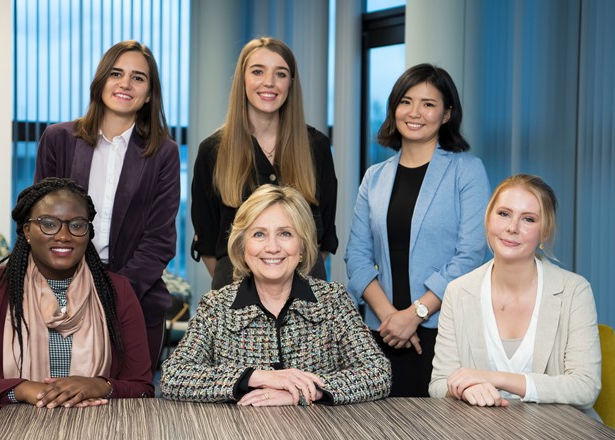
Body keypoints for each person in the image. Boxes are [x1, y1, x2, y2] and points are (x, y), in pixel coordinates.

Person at [0, 178, 153, 439]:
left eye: (77, 225)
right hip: (4, 429)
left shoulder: (116, 292)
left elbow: (142, 388)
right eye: (48, 223)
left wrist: (101, 385)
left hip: (96, 429)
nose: (64, 235)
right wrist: (19, 390)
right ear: (27, 231)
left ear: (88, 233)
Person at [162, 185, 390, 405]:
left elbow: (378, 372)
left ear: (302, 246)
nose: (272, 247)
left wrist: (306, 391)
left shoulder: (333, 301)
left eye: (285, 234)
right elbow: (173, 376)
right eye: (259, 234)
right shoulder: (216, 306)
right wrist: (255, 377)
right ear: (243, 247)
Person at [345, 63, 490, 397]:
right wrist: (390, 317)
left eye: (428, 104)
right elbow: (357, 256)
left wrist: (416, 313)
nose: (415, 112)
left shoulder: (466, 171)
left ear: (446, 115)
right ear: (394, 107)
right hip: (380, 330)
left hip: (440, 331)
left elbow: (470, 255)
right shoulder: (374, 177)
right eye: (406, 101)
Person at [34, 40, 180, 372]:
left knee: (129, 412)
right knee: (57, 407)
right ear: (101, 81)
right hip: (60, 298)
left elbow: (159, 240)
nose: (125, 84)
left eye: (138, 78)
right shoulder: (58, 139)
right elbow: (40, 222)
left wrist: (110, 294)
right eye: (116, 73)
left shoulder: (164, 153)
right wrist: (70, 291)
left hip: (135, 300)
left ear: (148, 94)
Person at [430, 174, 601, 418]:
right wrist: (466, 389)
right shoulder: (458, 291)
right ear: (488, 219)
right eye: (503, 214)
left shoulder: (574, 291)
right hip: (481, 430)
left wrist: (495, 379)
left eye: (528, 219)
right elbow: (438, 384)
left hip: (559, 430)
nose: (512, 227)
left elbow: (585, 388)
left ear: (544, 232)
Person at [191, 36, 338, 290]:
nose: (269, 82)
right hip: (234, 298)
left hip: (306, 297)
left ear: (291, 83)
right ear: (243, 79)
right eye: (258, 71)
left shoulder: (317, 147)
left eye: (280, 74)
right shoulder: (212, 151)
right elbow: (207, 245)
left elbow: (323, 240)